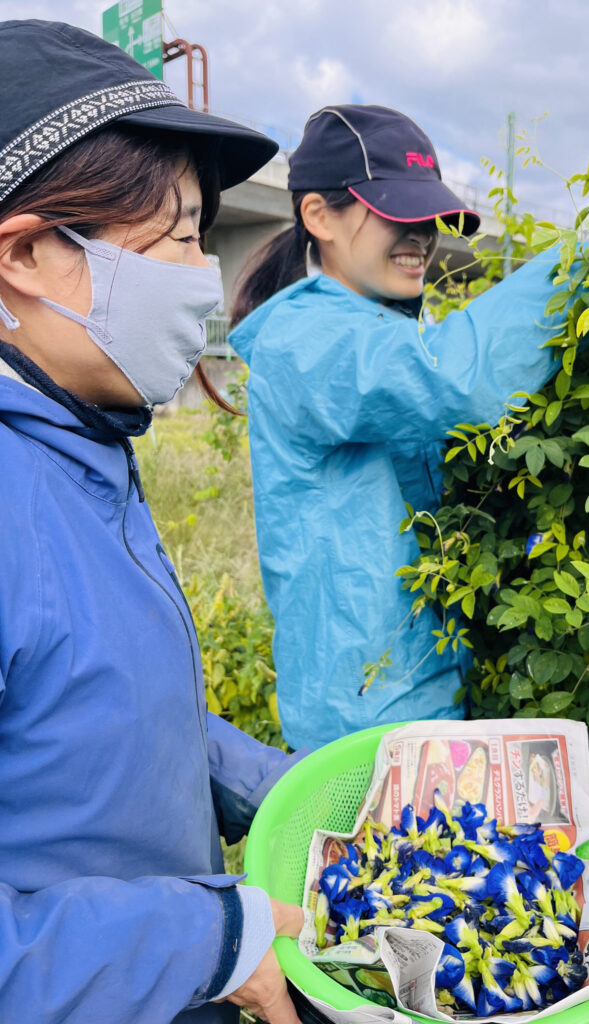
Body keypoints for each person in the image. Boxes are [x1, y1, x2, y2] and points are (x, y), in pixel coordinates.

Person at [0, 20, 304, 1024]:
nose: (199, 276)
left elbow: (103, 723)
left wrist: (294, 790)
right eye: (176, 236)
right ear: (32, 253)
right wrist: (201, 943)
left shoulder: (82, 445)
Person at [229, 104, 566, 752]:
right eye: (397, 215)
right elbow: (455, 378)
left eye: (429, 219)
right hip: (366, 721)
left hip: (419, 691)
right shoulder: (309, 337)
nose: (422, 236)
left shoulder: (375, 329)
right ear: (319, 217)